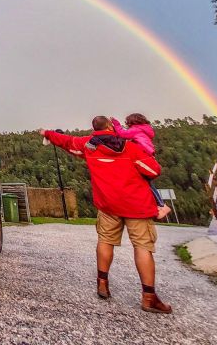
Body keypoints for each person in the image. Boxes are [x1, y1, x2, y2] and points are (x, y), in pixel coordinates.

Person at [42, 116, 173, 314]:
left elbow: (68, 142)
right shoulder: (130, 148)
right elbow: (153, 170)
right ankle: (149, 297)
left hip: (108, 204)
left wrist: (48, 134)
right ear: (112, 126)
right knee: (143, 247)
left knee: (105, 241)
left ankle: (102, 283)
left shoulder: (89, 146)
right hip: (136, 205)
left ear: (94, 129)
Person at [86, 113, 172, 220]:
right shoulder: (145, 129)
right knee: (146, 182)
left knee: (147, 183)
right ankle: (160, 204)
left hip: (142, 154)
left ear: (132, 122)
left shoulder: (135, 130)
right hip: (148, 154)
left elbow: (122, 134)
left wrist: (116, 124)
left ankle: (161, 205)